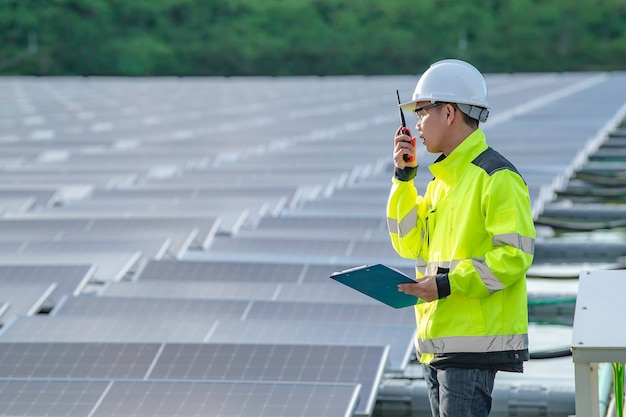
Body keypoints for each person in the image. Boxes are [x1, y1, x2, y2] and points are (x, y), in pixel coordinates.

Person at [387, 59, 536, 417]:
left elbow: (514, 257)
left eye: (422, 112)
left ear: (450, 112)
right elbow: (407, 243)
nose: (417, 125)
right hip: (437, 343)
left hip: (472, 345)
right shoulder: (440, 183)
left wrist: (446, 284)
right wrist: (403, 179)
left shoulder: (496, 177)